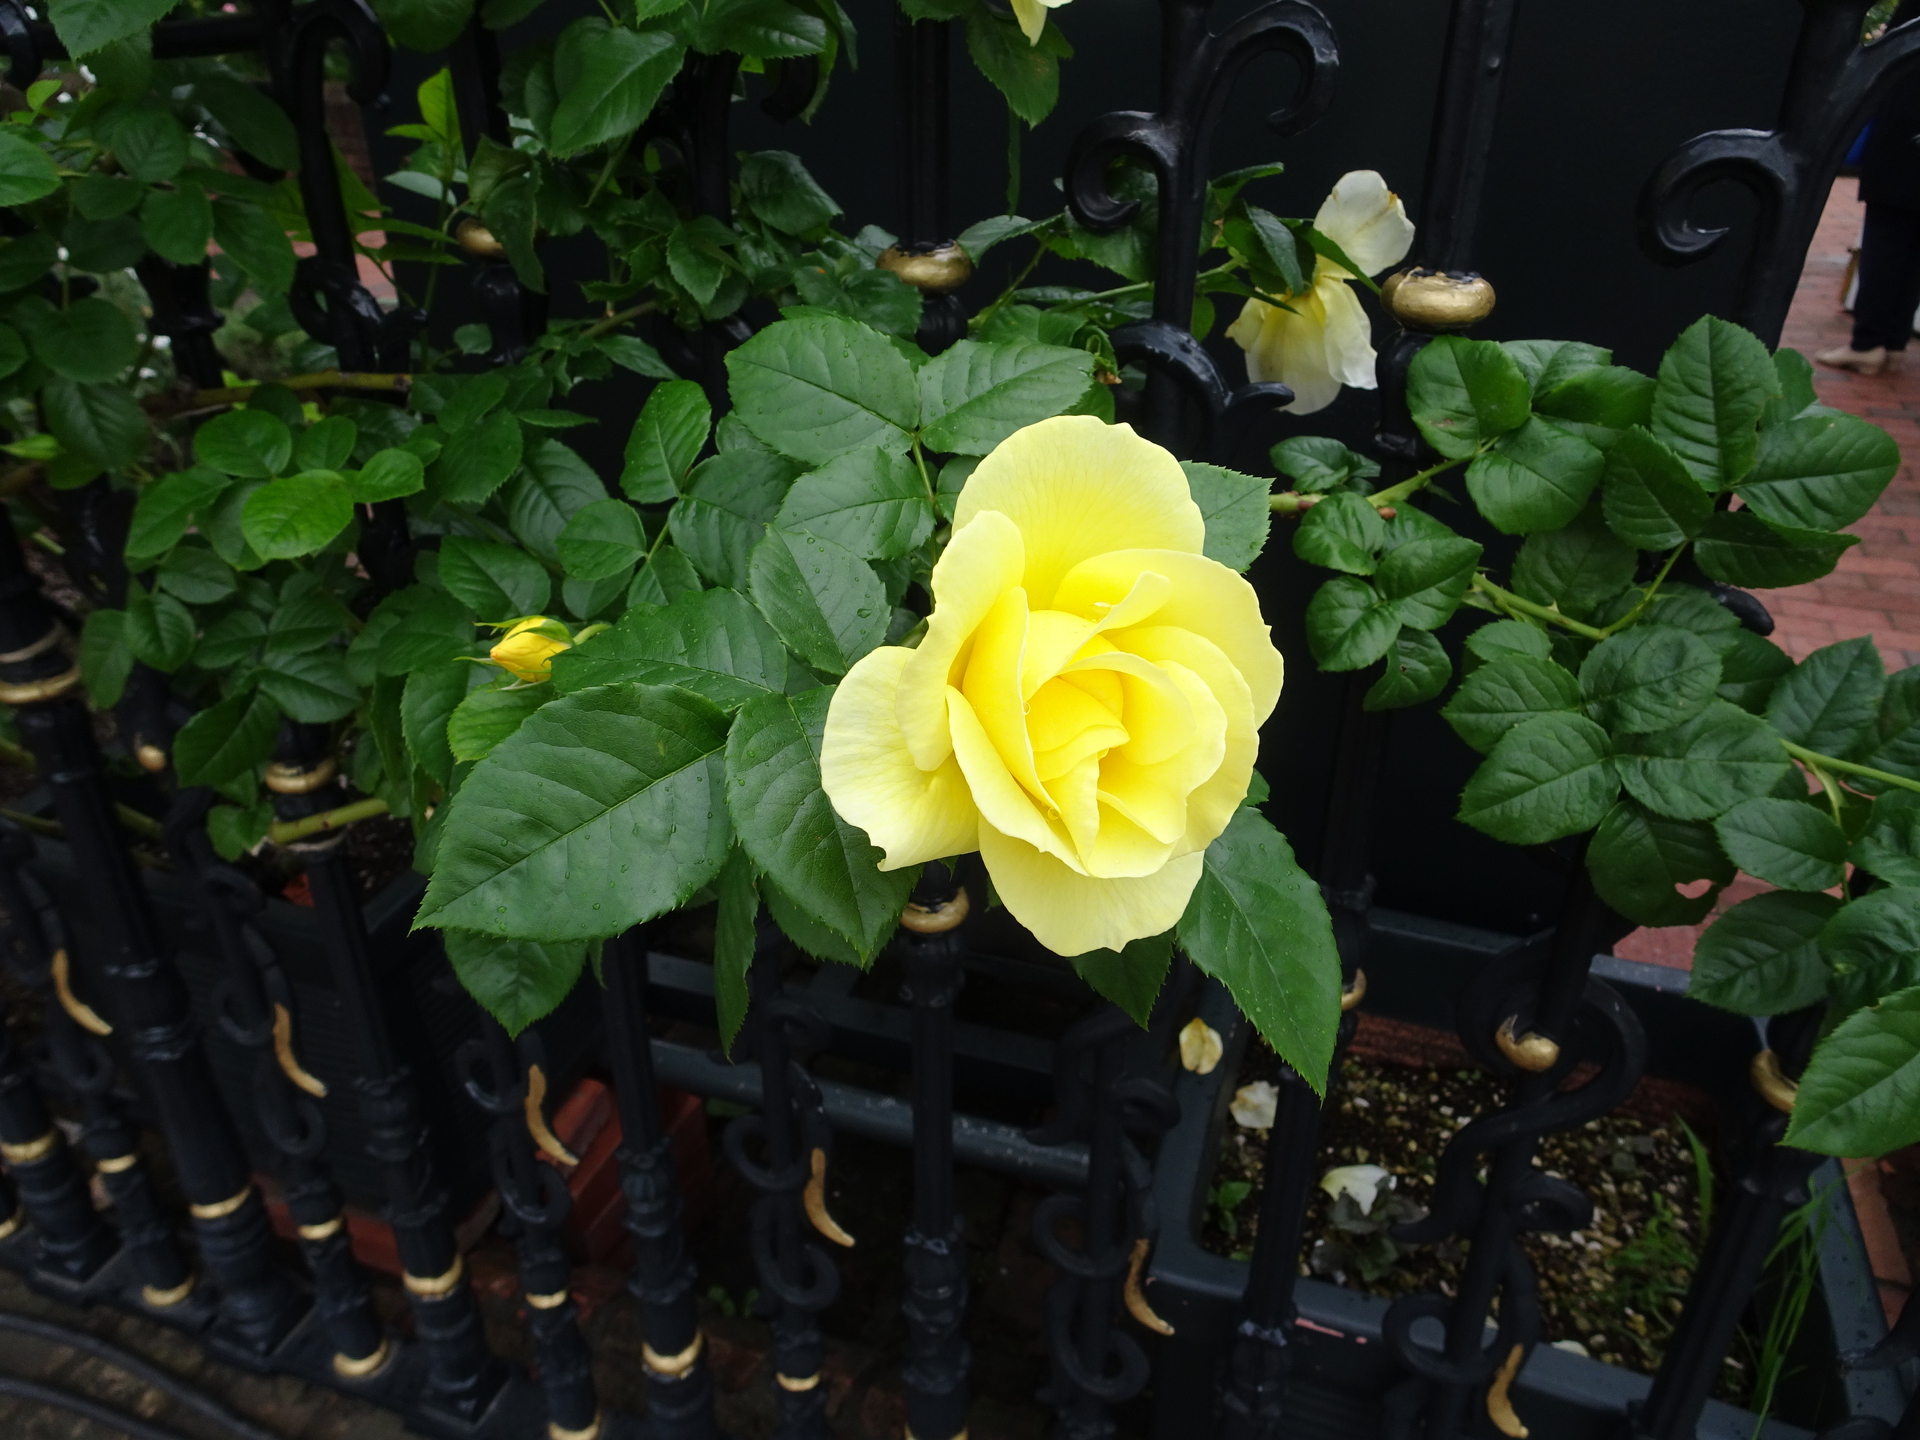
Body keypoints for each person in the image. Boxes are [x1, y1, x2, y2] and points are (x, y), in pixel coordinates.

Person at [1821, 11, 1920, 375]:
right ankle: (1892, 341)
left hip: (1909, 119)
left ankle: (1867, 343)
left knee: (1888, 234)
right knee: (1911, 242)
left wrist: (1885, 37)